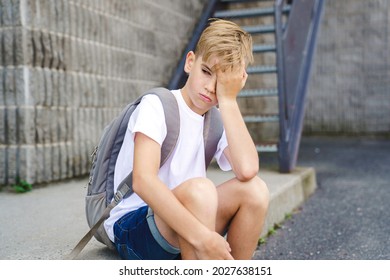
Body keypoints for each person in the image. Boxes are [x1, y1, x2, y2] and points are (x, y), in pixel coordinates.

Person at [104, 18, 269, 260]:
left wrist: (229, 101)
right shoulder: (157, 105)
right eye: (206, 72)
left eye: (221, 82)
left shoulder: (217, 119)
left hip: (190, 217)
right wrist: (203, 238)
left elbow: (247, 170)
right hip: (136, 227)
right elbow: (143, 181)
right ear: (190, 62)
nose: (211, 87)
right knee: (200, 190)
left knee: (255, 190)